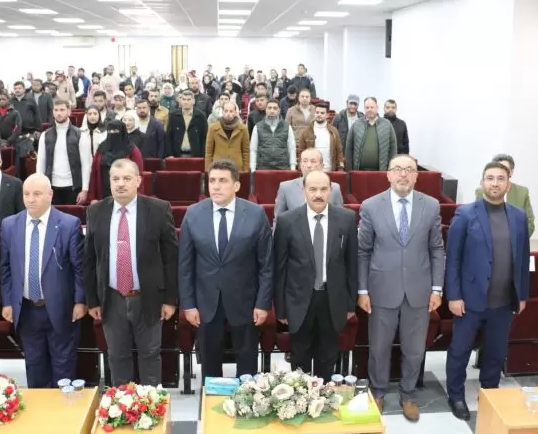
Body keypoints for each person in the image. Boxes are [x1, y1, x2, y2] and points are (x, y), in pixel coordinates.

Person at [357, 155, 445, 418]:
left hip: (419, 291)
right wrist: (362, 290)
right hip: (381, 289)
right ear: (388, 174)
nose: (403, 174)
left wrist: (437, 289)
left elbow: (436, 249)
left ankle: (409, 394)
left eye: (409, 170)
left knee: (414, 350)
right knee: (379, 348)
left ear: (417, 176)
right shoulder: (371, 206)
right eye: (397, 169)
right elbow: (363, 251)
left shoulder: (431, 206)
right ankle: (378, 391)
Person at [444, 162, 530, 421]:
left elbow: (522, 258)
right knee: (460, 351)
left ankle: (490, 394)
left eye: (500, 178)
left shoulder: (518, 216)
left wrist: (522, 294)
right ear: (482, 183)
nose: (495, 183)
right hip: (469, 300)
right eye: (490, 178)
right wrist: (454, 295)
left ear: (508, 184)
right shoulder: (465, 214)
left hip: (503, 302)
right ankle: (455, 395)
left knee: (495, 352)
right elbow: (453, 258)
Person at [84, 159, 178, 386]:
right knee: (117, 356)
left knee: (150, 355)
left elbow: (171, 259)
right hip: (112, 297)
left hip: (148, 297)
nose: (120, 184)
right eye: (115, 179)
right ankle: (121, 403)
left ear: (138, 181)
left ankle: (151, 403)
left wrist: (170, 299)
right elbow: (89, 259)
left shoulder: (158, 209)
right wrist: (92, 300)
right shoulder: (96, 211)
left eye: (126, 178)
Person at [178, 159, 272, 379]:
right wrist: (188, 305)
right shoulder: (193, 214)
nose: (216, 186)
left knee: (247, 366)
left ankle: (247, 398)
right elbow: (185, 265)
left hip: (245, 301)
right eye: (212, 181)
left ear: (236, 185)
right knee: (210, 366)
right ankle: (211, 398)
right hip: (206, 302)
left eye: (222, 181)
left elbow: (266, 265)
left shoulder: (256, 214)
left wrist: (262, 303)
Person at [0, 173, 85, 388]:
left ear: (50, 194)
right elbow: (5, 267)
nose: (30, 199)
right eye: (26, 194)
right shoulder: (10, 225)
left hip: (61, 308)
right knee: (34, 365)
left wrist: (80, 301)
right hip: (26, 309)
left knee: (63, 366)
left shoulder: (68, 224)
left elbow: (80, 268)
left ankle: (64, 406)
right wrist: (8, 302)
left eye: (37, 194)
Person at [273, 170, 358, 382]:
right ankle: (302, 399)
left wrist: (350, 304)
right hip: (299, 301)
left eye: (323, 189)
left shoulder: (346, 219)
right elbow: (279, 267)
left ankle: (324, 398)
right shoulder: (287, 221)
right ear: (304, 191)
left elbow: (351, 264)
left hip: (332, 300)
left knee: (327, 358)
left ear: (330, 191)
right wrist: (281, 307)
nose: (318, 194)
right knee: (299, 359)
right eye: (312, 189)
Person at [36, 99, 89, 205]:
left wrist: (84, 190)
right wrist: (40, 186)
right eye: (56, 110)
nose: (58, 113)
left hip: (73, 186)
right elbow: (41, 162)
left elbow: (86, 164)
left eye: (62, 110)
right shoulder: (45, 135)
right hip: (51, 186)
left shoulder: (80, 135)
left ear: (69, 112)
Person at [474, 154, 535, 237]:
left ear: (511, 172)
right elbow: (477, 222)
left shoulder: (522, 192)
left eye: (505, 168)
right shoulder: (481, 192)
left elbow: (529, 224)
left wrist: (512, 239)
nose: (500, 171)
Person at [274, 148, 343, 217]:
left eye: (313, 161)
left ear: (322, 166)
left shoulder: (334, 188)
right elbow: (278, 219)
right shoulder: (286, 188)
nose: (308, 165)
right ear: (300, 165)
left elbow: (340, 217)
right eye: (305, 161)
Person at [87, 120, 144, 202]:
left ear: (122, 131)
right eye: (110, 131)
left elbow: (138, 174)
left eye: (115, 131)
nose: (112, 133)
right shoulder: (102, 148)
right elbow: (94, 173)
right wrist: (93, 197)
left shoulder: (132, 150)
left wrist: (137, 199)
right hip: (103, 194)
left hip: (125, 193)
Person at [344, 97, 397, 171]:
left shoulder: (387, 124)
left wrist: (391, 168)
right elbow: (349, 148)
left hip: (381, 172)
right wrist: (349, 169)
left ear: (377, 108)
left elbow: (393, 148)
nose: (369, 109)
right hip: (359, 172)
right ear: (364, 108)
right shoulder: (356, 124)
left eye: (372, 107)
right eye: (367, 107)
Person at [250, 99, 296, 172]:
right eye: (269, 108)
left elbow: (292, 148)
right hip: (263, 167)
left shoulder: (287, 127)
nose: (272, 111)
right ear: (265, 109)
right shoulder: (257, 127)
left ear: (279, 110)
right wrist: (253, 168)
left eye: (275, 108)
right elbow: (253, 149)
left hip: (283, 167)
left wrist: (293, 167)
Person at [296, 102, 344, 171]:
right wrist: (300, 168)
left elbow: (339, 151)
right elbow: (301, 152)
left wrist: (340, 167)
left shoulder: (334, 131)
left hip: (329, 170)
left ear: (327, 115)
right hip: (311, 171)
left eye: (322, 113)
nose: (319, 115)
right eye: (317, 112)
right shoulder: (306, 131)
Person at [204, 102, 249, 171]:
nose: (228, 114)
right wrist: (208, 170)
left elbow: (245, 152)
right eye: (226, 111)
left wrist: (246, 171)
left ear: (235, 113)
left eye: (231, 111)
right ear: (223, 112)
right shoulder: (213, 128)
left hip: (236, 168)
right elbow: (209, 152)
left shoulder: (243, 129)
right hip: (218, 168)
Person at [166, 90, 208, 158]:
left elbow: (204, 138)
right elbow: (168, 136)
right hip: (176, 155)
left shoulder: (201, 116)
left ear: (193, 101)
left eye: (188, 99)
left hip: (195, 156)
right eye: (184, 99)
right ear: (180, 101)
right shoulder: (173, 115)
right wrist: (169, 154)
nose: (186, 102)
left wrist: (203, 156)